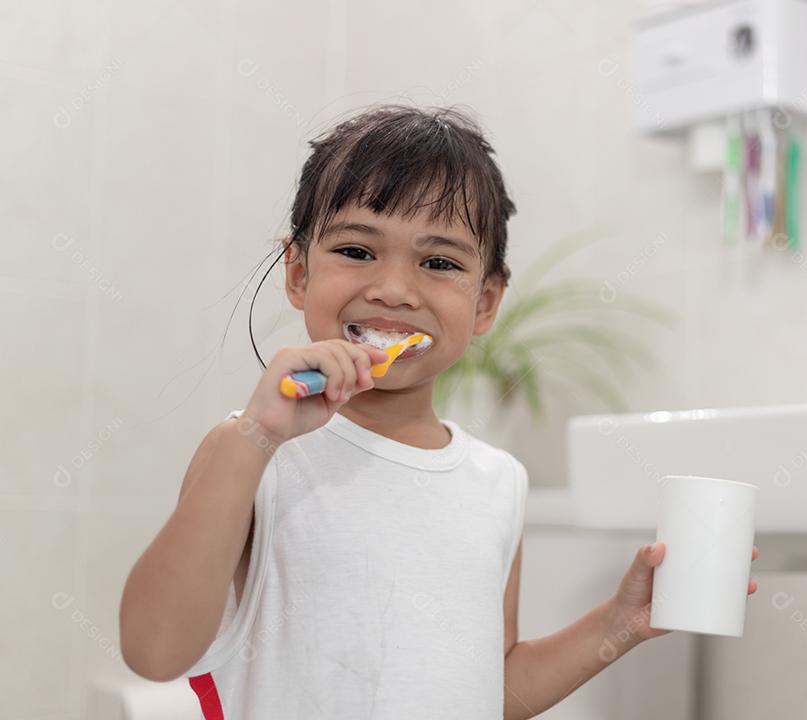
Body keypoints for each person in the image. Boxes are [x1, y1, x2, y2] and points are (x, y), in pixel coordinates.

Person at [118, 104, 758, 718]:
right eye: (357, 250)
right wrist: (253, 439)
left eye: (439, 262)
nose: (394, 289)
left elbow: (492, 689)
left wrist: (618, 625)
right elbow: (155, 651)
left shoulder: (499, 482)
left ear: (485, 303)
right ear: (297, 273)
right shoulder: (254, 453)